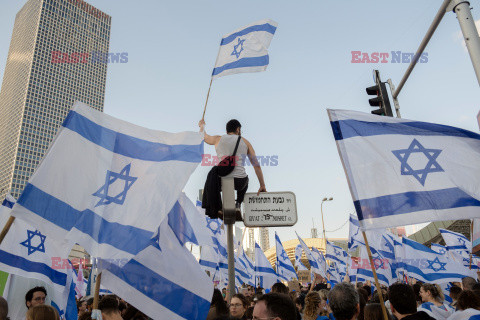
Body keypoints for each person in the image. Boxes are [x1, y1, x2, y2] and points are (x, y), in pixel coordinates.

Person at [199, 119, 267, 219]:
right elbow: (256, 166)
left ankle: (218, 208)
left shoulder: (218, 139)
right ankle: (238, 204)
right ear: (238, 129)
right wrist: (262, 185)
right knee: (246, 180)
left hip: (221, 180)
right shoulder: (246, 142)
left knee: (215, 179)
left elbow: (204, 136)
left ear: (227, 131)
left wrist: (201, 126)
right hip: (240, 182)